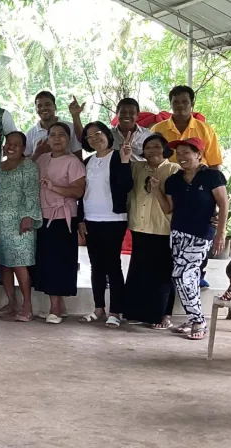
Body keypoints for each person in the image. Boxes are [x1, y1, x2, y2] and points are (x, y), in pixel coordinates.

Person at [152, 137, 228, 341]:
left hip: (200, 235)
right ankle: (193, 317)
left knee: (182, 277)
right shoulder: (173, 180)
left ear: (199, 155)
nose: (182, 156)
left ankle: (198, 320)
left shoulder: (212, 176)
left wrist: (221, 232)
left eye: (187, 152)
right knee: (189, 279)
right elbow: (168, 208)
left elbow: (223, 204)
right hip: (177, 234)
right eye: (179, 153)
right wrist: (156, 189)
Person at [120, 134, 180, 329]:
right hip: (140, 227)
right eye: (147, 148)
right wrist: (125, 155)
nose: (152, 151)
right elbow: (123, 177)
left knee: (163, 274)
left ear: (164, 150)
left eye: (156, 147)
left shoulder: (174, 170)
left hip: (163, 229)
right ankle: (137, 312)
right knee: (139, 272)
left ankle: (164, 314)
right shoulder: (137, 168)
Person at [78, 122, 132, 328]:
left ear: (107, 134)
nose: (94, 139)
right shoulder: (88, 161)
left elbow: (127, 186)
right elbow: (83, 193)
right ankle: (98, 308)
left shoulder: (119, 156)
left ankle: (115, 311)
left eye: (97, 134)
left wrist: (126, 161)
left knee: (113, 266)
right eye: (89, 137)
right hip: (91, 219)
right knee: (96, 266)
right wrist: (81, 219)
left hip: (113, 220)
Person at [34, 123, 86, 324]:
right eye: (52, 135)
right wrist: (37, 151)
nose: (56, 139)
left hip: (63, 218)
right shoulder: (42, 159)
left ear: (68, 138)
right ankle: (59, 306)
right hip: (44, 217)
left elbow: (78, 191)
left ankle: (55, 307)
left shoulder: (73, 162)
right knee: (46, 262)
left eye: (61, 135)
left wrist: (55, 188)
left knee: (60, 263)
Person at [0, 131, 43, 322]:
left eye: (16, 144)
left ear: (24, 148)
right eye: (8, 143)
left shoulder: (29, 166)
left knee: (19, 264)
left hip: (21, 222)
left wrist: (28, 217)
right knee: (4, 264)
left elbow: (32, 193)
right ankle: (11, 303)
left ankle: (27, 305)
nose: (11, 147)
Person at [152, 86, 222, 169]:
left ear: (192, 104)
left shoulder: (206, 130)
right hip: (167, 179)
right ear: (170, 104)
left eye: (185, 102)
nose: (180, 105)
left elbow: (214, 163)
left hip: (200, 179)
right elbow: (149, 159)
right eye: (176, 102)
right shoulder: (157, 129)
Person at [24, 91, 81, 158]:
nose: (43, 108)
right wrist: (38, 153)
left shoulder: (70, 127)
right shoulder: (30, 134)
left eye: (47, 104)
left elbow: (78, 155)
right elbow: (25, 162)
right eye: (39, 106)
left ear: (55, 107)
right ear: (36, 110)